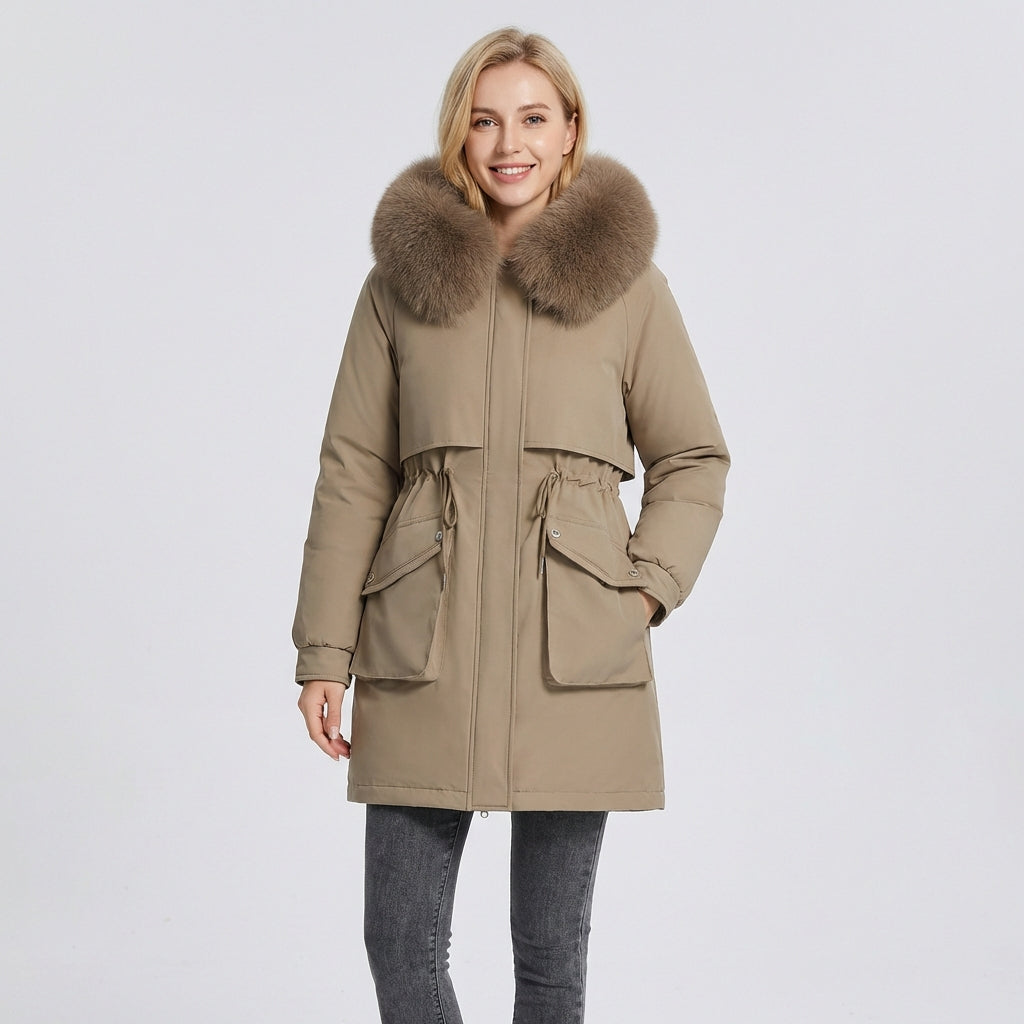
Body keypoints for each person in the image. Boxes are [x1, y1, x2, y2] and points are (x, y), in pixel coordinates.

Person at [293, 26, 730, 1024]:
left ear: (570, 129)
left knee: (549, 955)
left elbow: (693, 457)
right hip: (422, 650)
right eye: (484, 121)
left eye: (532, 118)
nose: (508, 144)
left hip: (573, 656)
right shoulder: (397, 288)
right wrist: (324, 650)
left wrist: (640, 593)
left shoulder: (629, 290)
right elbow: (353, 473)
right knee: (400, 943)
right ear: (458, 133)